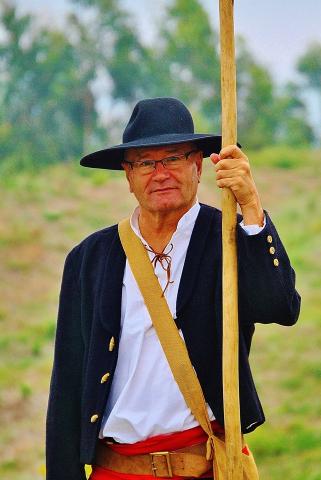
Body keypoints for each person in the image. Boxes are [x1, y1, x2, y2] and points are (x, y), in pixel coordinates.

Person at [46, 97, 300, 480]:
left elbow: (279, 307)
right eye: (146, 162)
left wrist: (250, 205)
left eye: (173, 159)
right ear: (128, 176)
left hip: (208, 466)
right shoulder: (89, 259)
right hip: (117, 470)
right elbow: (67, 387)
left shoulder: (228, 240)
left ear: (198, 166)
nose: (160, 173)